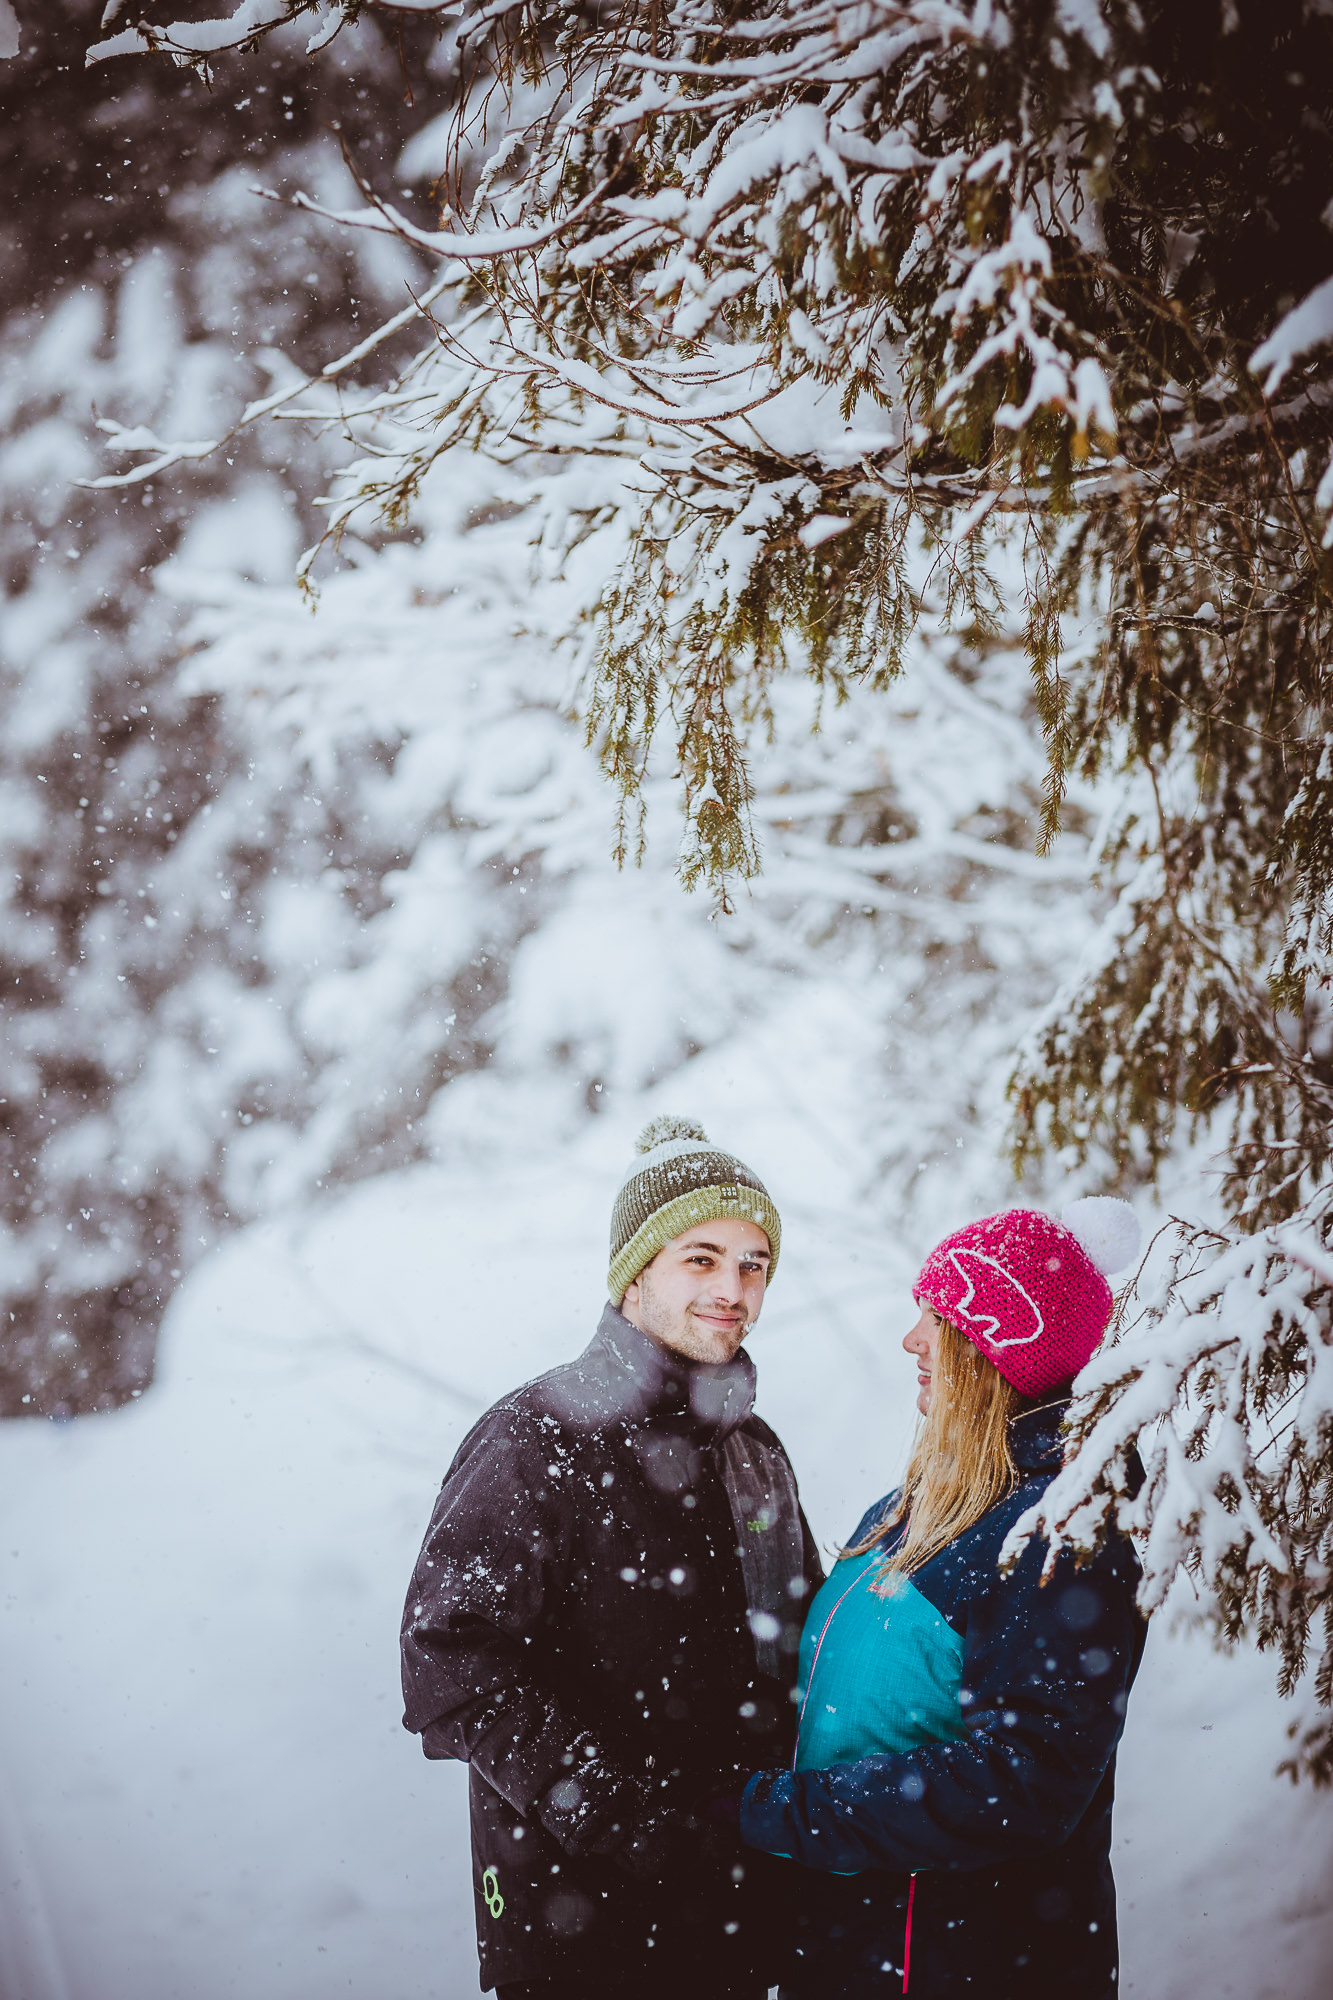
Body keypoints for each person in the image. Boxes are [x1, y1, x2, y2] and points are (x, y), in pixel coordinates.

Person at [401, 1114, 824, 1999]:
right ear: (634, 1274)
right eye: (700, 1257)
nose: (734, 1288)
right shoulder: (533, 1438)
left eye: (754, 1264)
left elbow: (796, 1651)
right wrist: (606, 1810)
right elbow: (448, 1657)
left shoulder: (755, 1453)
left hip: (746, 1912)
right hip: (582, 1925)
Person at [738, 1197, 1148, 1998]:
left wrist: (778, 1810)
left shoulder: (1058, 1530)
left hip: (959, 1957)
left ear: (999, 1351)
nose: (911, 1339)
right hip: (854, 1939)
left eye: (937, 1317)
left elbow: (1026, 1780)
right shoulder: (918, 1506)